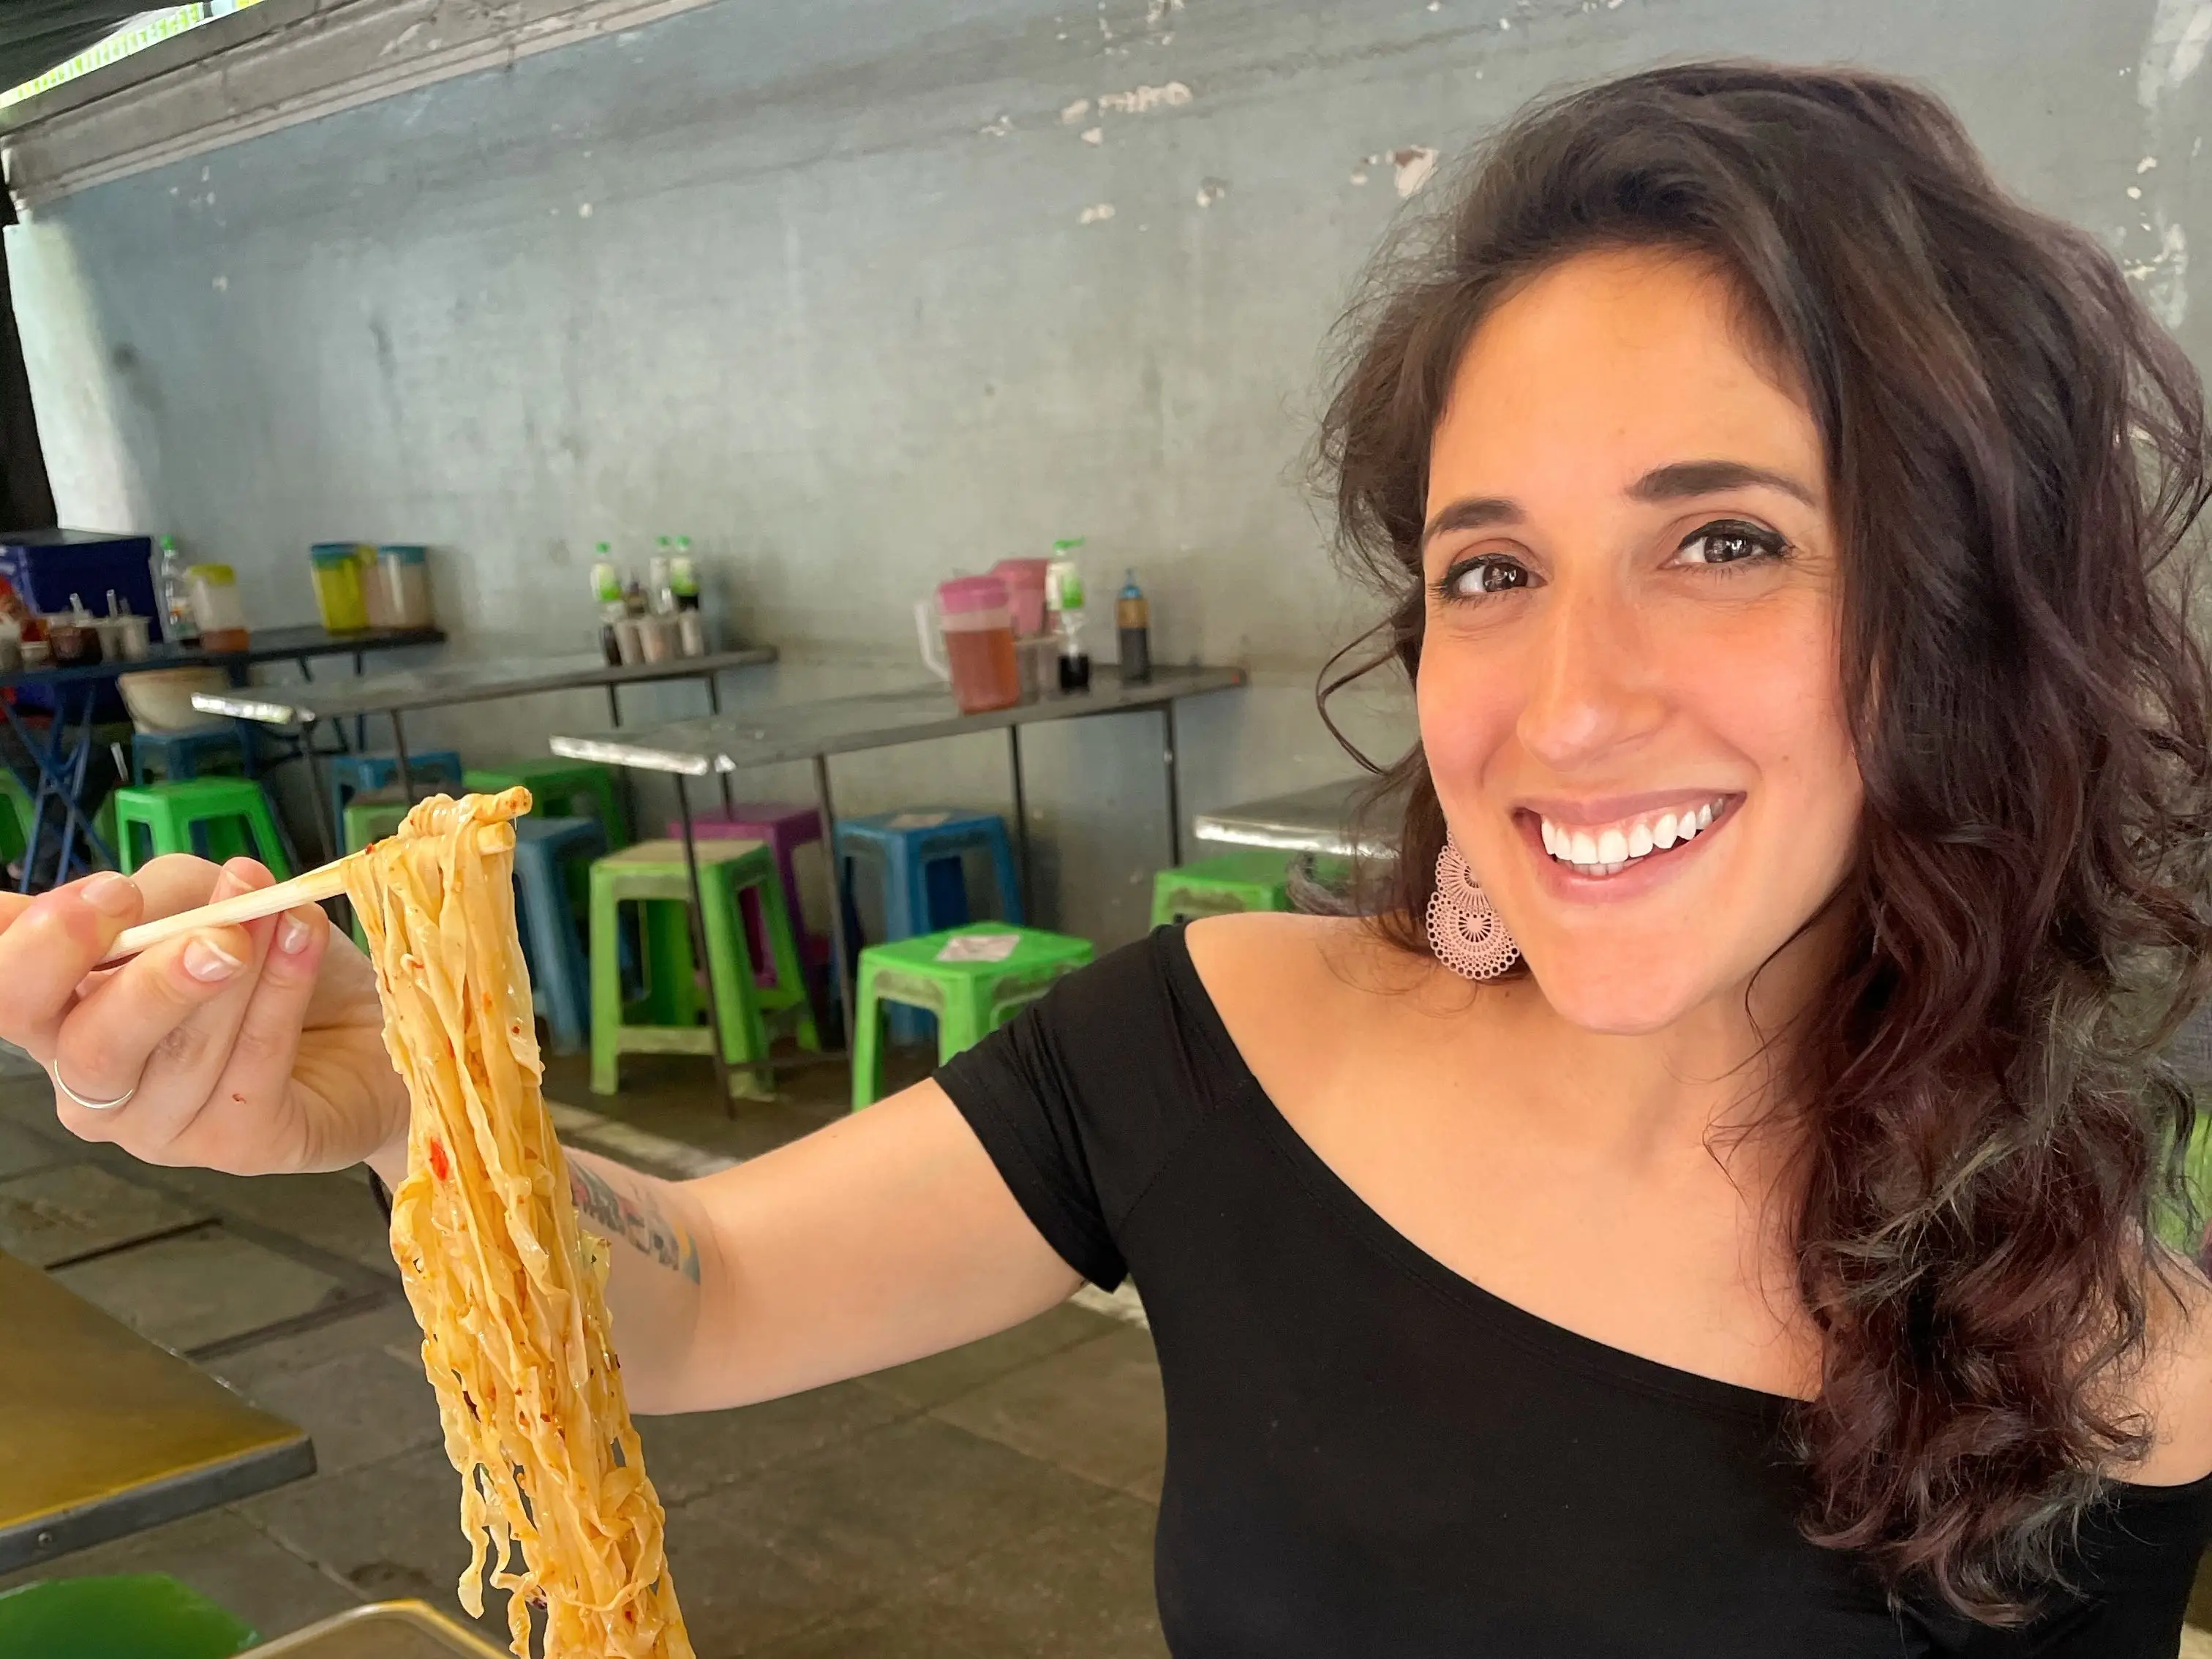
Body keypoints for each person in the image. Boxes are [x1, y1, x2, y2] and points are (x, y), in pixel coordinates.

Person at [5, 61, 2211, 1655]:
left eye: (1726, 540)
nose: (1566, 704)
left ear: (1967, 616)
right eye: (1492, 569)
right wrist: (409, 1090)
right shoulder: (1222, 1042)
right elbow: (710, 1297)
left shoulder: (2131, 1351)